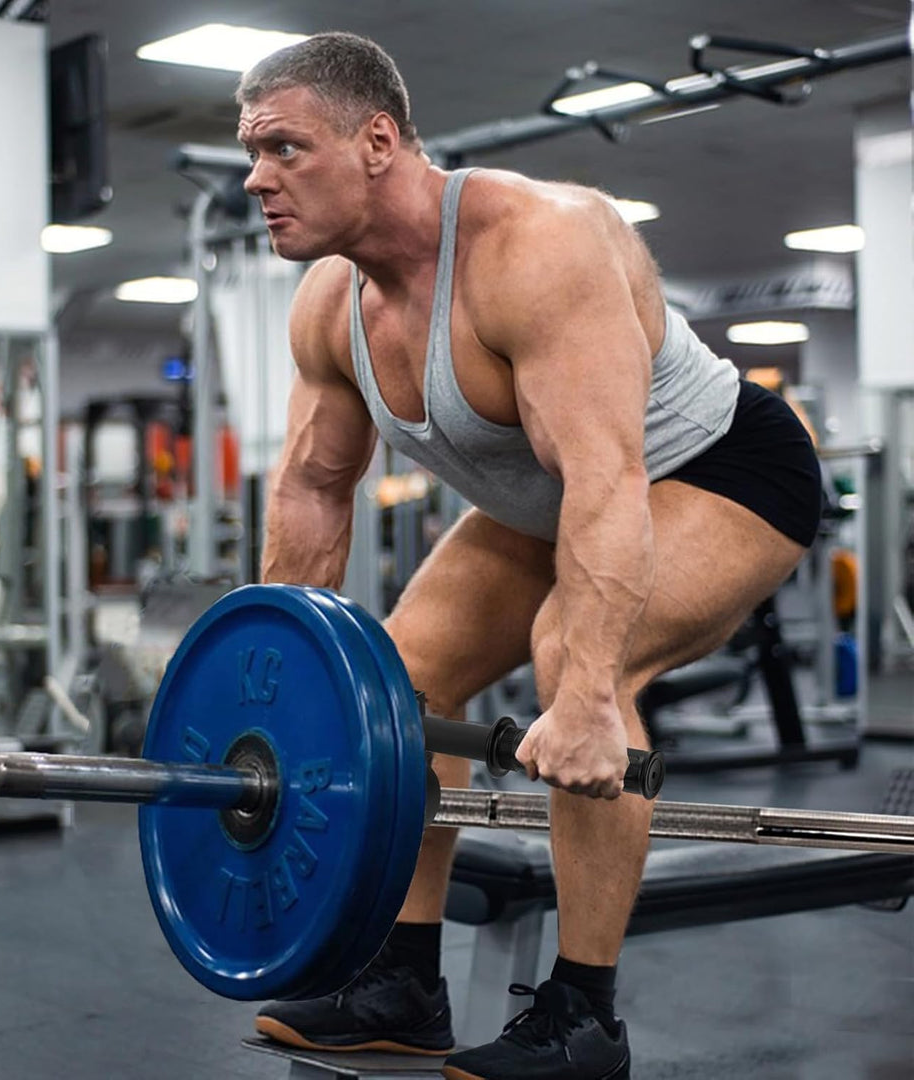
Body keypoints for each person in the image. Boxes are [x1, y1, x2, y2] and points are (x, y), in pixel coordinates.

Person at [235, 31, 822, 1080]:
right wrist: (273, 685)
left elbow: (607, 481)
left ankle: (585, 1015)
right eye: (252, 153)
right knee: (393, 683)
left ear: (376, 140)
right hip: (548, 499)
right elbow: (314, 490)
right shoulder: (332, 304)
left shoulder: (535, 246)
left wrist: (592, 694)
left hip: (725, 467)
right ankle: (403, 984)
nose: (256, 178)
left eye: (283, 149)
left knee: (574, 652)